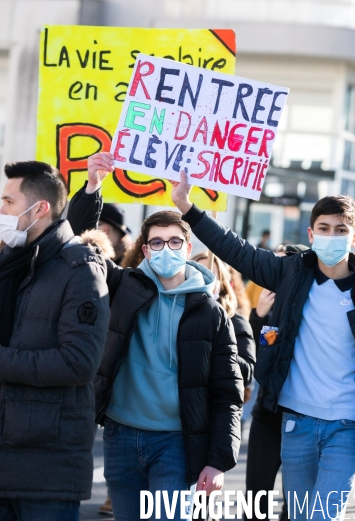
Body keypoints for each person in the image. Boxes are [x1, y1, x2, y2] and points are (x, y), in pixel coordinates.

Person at [171, 170, 355, 521]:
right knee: (299, 516)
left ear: (354, 237)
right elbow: (236, 250)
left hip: (347, 427)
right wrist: (187, 207)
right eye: (324, 229)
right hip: (296, 423)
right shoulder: (289, 272)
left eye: (341, 230)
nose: (331, 236)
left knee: (321, 516)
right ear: (311, 234)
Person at [67, 153, 243, 521]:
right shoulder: (122, 287)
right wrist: (93, 186)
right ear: (145, 249)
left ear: (187, 247)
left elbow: (228, 392)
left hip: (176, 443)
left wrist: (218, 461)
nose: (166, 249)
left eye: (175, 242)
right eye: (157, 242)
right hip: (120, 437)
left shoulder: (210, 313)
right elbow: (76, 246)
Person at [0, 161, 110, 521]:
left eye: (7, 201)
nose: (1, 210)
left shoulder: (80, 270)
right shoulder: (9, 262)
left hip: (46, 467)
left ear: (39, 209)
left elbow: (78, 362)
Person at [246, 244, 309, 521]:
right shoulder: (267, 310)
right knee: (256, 498)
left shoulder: (313, 309)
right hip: (268, 416)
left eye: (282, 268)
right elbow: (262, 359)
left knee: (296, 504)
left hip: (305, 420)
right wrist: (260, 317)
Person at [191, 252, 256, 387]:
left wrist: (218, 346)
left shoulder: (236, 322)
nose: (205, 281)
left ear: (222, 284)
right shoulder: (178, 316)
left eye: (211, 275)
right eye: (197, 275)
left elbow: (247, 372)